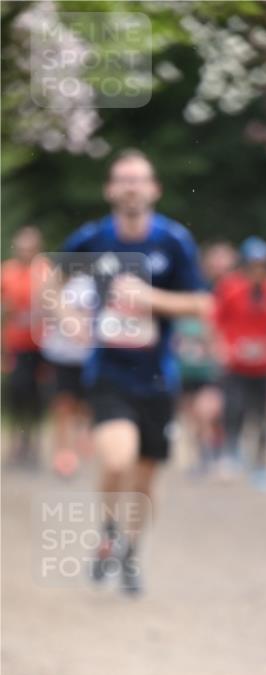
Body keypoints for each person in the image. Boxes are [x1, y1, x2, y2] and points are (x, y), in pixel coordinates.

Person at [59, 148, 210, 593]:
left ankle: (129, 550)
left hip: (158, 375)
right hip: (108, 370)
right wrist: (70, 319)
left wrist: (151, 299)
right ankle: (108, 531)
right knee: (117, 456)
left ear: (154, 189)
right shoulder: (90, 238)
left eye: (139, 179)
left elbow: (201, 302)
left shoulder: (174, 241)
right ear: (110, 189)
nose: (130, 186)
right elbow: (52, 285)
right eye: (122, 179)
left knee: (145, 477)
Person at [213, 236, 266, 490]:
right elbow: (217, 321)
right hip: (235, 364)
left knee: (262, 415)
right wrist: (223, 348)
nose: (258, 269)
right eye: (254, 264)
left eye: (263, 264)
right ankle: (230, 453)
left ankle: (260, 464)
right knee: (234, 407)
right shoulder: (229, 288)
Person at [174, 244, 235, 475]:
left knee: (208, 410)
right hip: (187, 362)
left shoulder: (234, 291)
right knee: (193, 414)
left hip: (214, 363)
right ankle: (202, 455)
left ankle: (218, 452)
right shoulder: (191, 286)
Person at [1, 226, 50, 466]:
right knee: (17, 394)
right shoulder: (6, 272)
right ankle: (16, 443)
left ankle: (34, 444)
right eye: (21, 247)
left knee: (37, 396)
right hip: (16, 345)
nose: (25, 252)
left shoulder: (46, 271)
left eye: (29, 248)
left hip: (41, 347)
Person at [40, 271, 94, 478]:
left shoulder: (98, 282)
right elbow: (47, 308)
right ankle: (63, 453)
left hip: (89, 357)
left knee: (85, 407)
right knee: (62, 405)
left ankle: (83, 437)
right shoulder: (58, 283)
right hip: (62, 356)